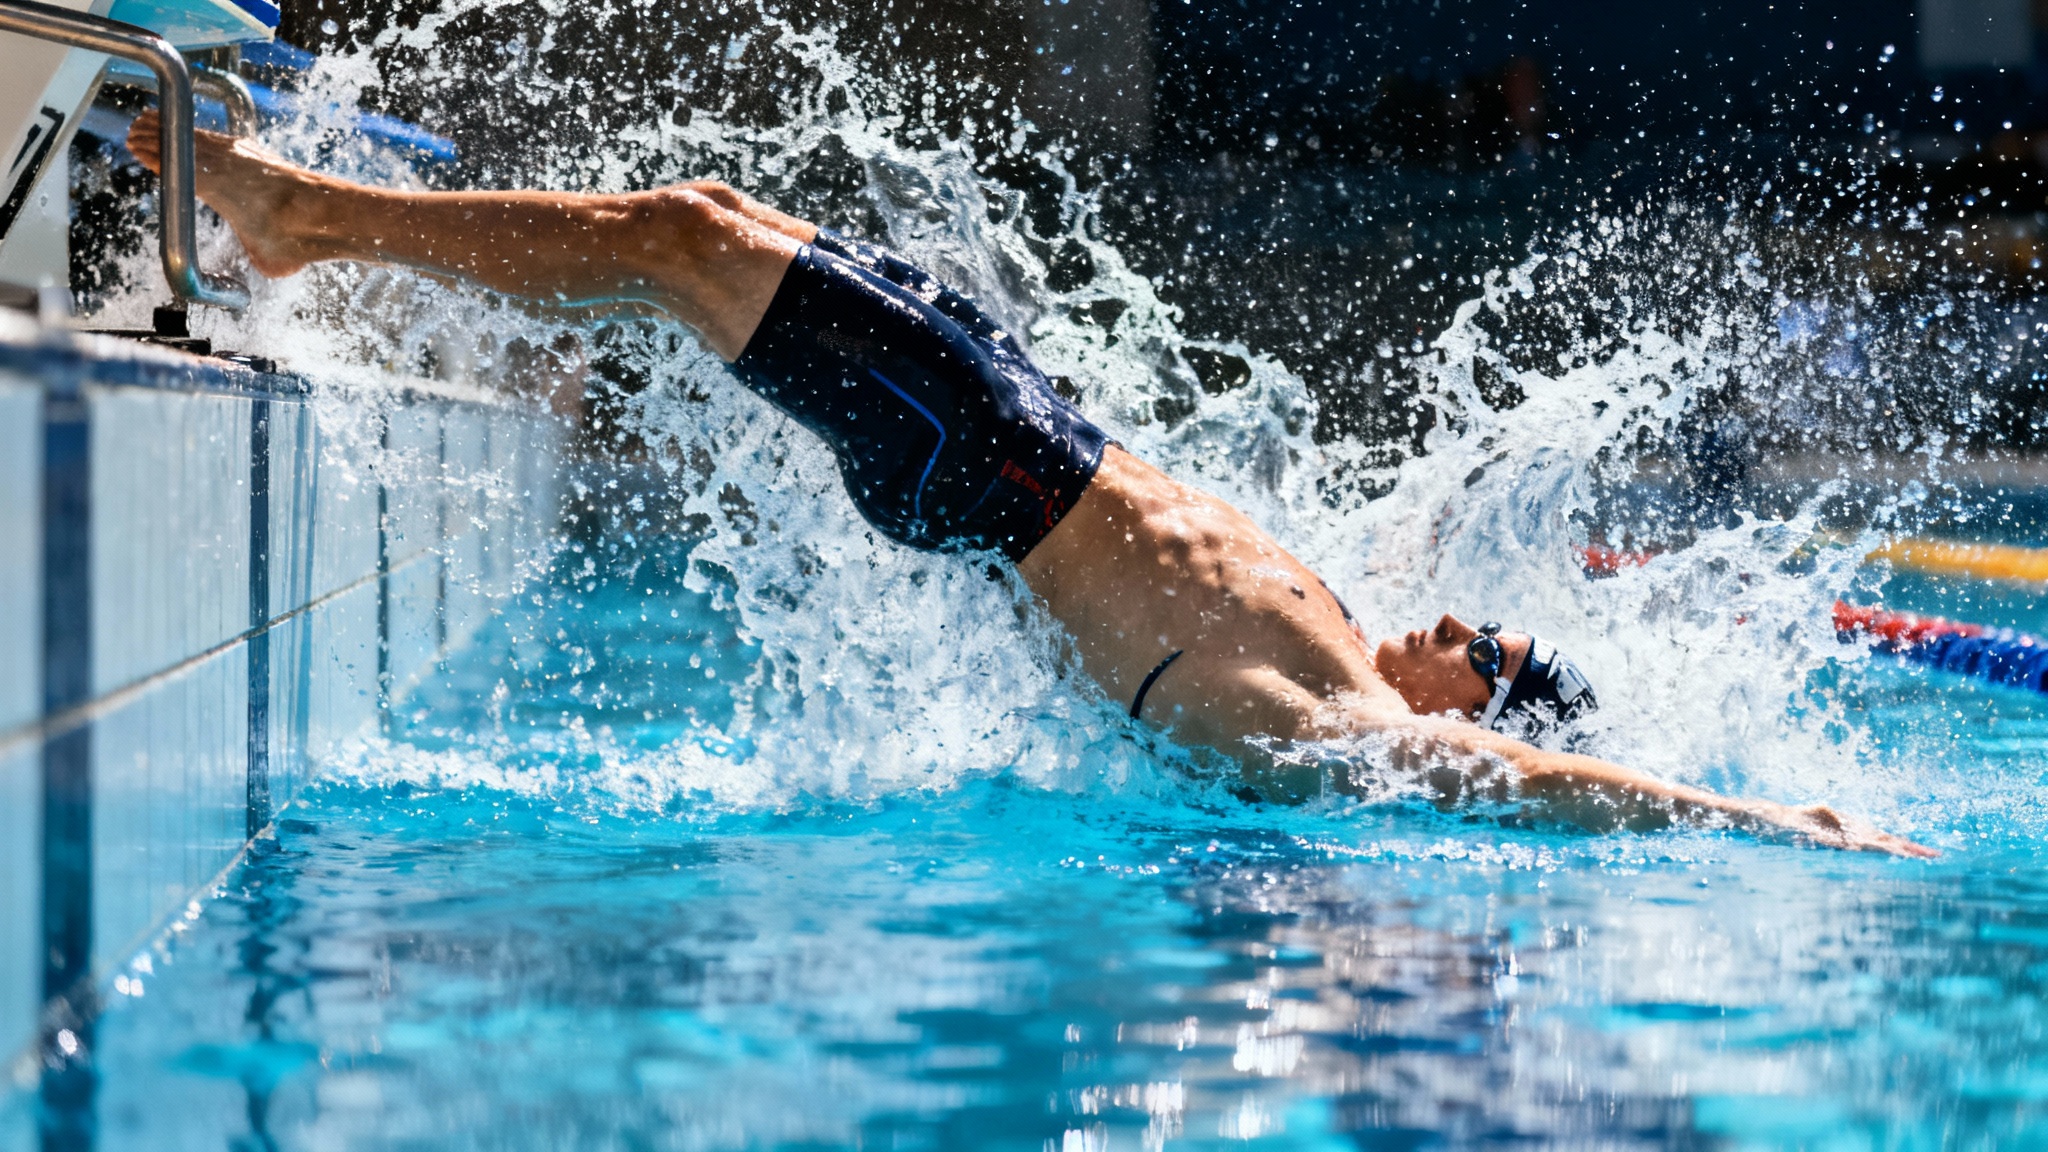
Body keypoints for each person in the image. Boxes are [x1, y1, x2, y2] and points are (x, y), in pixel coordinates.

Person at [125, 111, 1933, 858]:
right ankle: (311, 223)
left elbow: (1543, 788)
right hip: (1020, 428)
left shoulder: (1340, 735)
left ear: (1471, 706)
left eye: (1488, 645)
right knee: (711, 228)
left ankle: (301, 221)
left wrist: (1774, 826)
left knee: (680, 238)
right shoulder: (1339, 637)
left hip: (986, 463)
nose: (1459, 619)